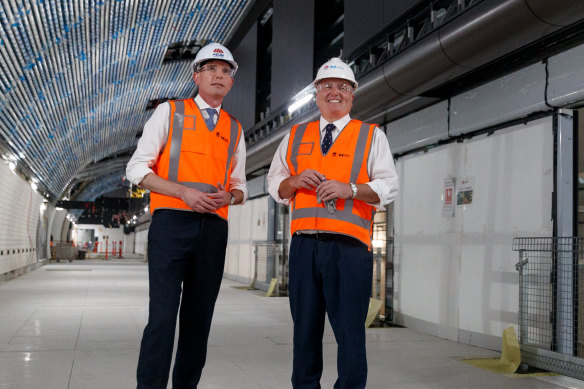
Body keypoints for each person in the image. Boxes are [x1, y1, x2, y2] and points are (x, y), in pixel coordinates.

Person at [267, 57, 398, 389]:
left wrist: (350, 189)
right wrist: (294, 181)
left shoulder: (371, 136)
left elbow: (389, 187)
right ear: (316, 94)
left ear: (353, 95)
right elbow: (275, 185)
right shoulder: (295, 136)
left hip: (348, 249)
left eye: (343, 87)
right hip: (303, 248)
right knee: (304, 334)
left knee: (350, 335)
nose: (334, 92)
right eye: (327, 87)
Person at [126, 42, 247, 389]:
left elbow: (241, 185)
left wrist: (232, 195)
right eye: (211, 69)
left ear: (231, 82)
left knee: (198, 322)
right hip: (171, 225)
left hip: (213, 230)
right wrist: (183, 192)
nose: (219, 76)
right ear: (196, 75)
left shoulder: (235, 129)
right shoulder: (170, 113)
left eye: (225, 71)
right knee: (162, 318)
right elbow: (136, 169)